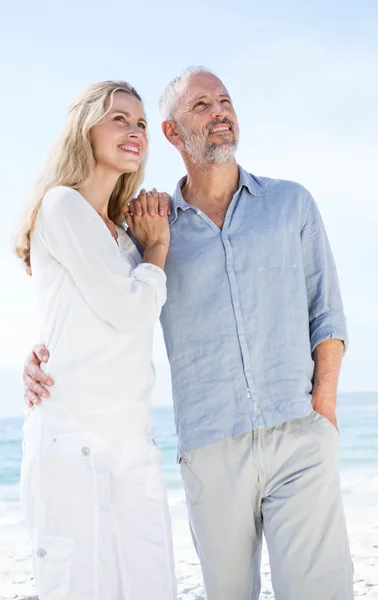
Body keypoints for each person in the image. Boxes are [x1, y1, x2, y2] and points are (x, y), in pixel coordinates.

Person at [24, 67, 353, 600]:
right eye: (201, 106)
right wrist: (39, 354)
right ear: (174, 134)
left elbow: (327, 313)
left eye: (225, 101)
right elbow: (94, 298)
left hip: (297, 432)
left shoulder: (292, 204)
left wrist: (324, 412)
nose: (220, 112)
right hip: (209, 446)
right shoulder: (149, 228)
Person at [15, 80, 177, 600]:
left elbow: (81, 319)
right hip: (71, 440)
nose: (135, 132)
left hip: (133, 440)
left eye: (142, 124)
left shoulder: (123, 236)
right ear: (85, 129)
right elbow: (129, 311)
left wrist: (145, 247)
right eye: (119, 119)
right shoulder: (62, 206)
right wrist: (157, 252)